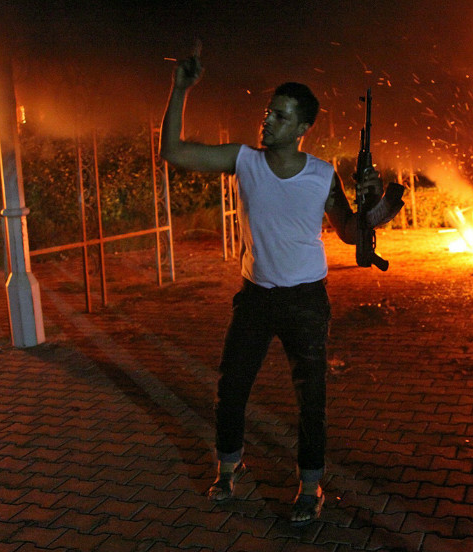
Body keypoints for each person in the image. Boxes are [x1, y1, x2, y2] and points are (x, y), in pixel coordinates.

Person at [160, 50, 399, 526]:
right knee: (231, 390)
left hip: (306, 300)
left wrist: (374, 205)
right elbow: (174, 152)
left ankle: (310, 489)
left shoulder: (321, 174)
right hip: (255, 297)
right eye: (268, 111)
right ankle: (228, 469)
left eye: (280, 115)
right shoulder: (244, 160)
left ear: (301, 128)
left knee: (312, 400)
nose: (267, 120)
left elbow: (350, 232)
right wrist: (180, 89)